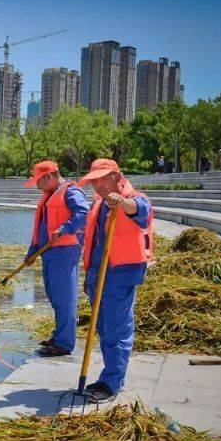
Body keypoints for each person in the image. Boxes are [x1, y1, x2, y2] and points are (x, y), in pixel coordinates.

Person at [78, 159, 154, 402]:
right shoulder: (99, 205)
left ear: (117, 177)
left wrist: (122, 202)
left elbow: (140, 210)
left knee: (117, 330)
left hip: (119, 275)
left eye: (102, 179)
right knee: (102, 328)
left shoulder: (135, 199)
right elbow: (94, 241)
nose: (97, 185)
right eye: (94, 181)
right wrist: (88, 276)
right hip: (97, 275)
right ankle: (108, 376)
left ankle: (112, 383)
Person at [23, 160, 89, 357]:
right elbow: (42, 227)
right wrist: (32, 250)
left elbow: (83, 214)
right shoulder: (50, 195)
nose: (37, 185)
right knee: (54, 294)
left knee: (64, 298)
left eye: (39, 181)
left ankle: (64, 343)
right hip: (49, 252)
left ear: (49, 176)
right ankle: (60, 334)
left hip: (65, 251)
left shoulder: (71, 191)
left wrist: (64, 229)